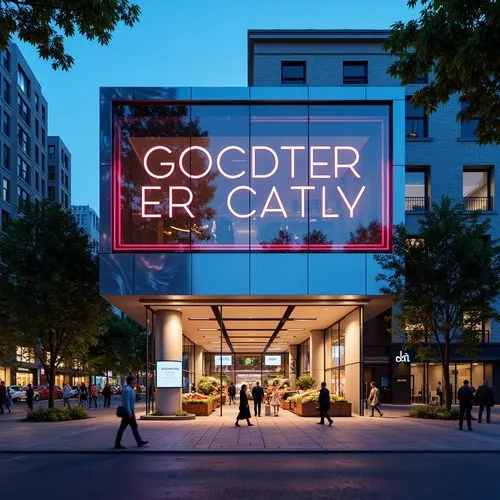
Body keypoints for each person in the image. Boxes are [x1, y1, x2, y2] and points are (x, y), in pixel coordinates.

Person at [114, 375, 148, 449]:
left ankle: (139, 441)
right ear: (131, 382)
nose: (135, 383)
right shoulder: (127, 390)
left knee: (133, 427)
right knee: (123, 428)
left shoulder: (131, 389)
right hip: (127, 413)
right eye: (134, 382)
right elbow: (126, 403)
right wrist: (130, 413)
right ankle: (117, 444)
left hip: (130, 412)